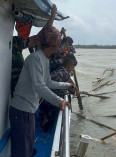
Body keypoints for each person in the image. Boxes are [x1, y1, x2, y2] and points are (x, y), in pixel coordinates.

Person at [9, 4, 76, 157]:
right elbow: (40, 86)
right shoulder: (35, 59)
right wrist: (60, 101)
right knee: (22, 153)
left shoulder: (43, 59)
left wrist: (67, 84)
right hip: (21, 110)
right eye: (58, 40)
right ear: (55, 43)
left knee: (28, 149)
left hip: (29, 110)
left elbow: (48, 82)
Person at [40, 58, 77, 131]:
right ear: (69, 67)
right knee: (51, 118)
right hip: (51, 102)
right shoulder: (65, 74)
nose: (72, 70)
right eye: (72, 68)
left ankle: (45, 118)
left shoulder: (57, 71)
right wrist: (73, 90)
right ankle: (47, 120)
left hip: (44, 99)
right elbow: (70, 89)